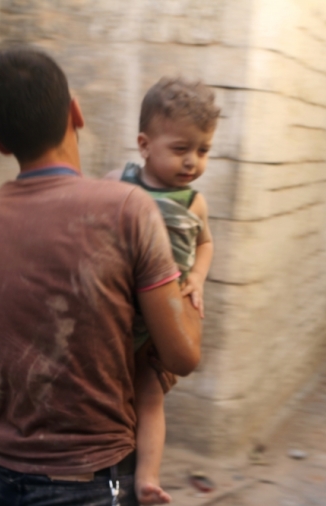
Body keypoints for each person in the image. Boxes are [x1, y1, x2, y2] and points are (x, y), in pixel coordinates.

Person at [0, 47, 202, 506]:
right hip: (97, 480)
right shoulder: (127, 208)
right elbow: (183, 355)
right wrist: (191, 279)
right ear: (76, 110)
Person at [104, 77, 218, 504]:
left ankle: (146, 478)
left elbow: (206, 243)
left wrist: (198, 277)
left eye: (203, 150)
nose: (192, 161)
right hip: (116, 316)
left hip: (161, 323)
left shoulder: (193, 202)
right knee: (114, 402)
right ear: (144, 144)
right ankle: (110, 484)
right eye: (180, 148)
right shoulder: (121, 182)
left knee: (149, 396)